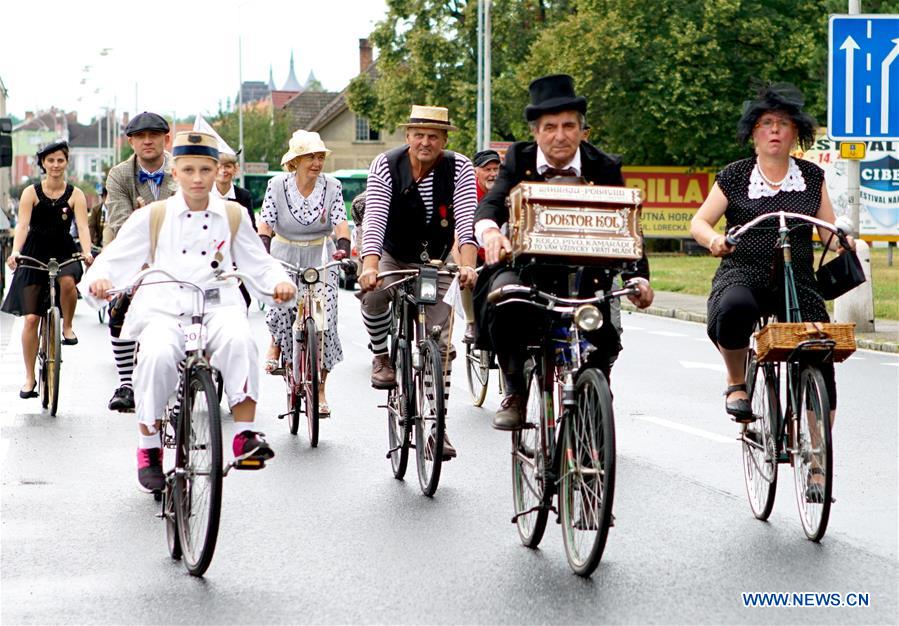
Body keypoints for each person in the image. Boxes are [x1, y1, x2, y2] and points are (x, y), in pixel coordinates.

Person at [82, 131, 296, 492]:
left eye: (205, 170)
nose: (197, 178)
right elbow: (115, 257)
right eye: (189, 170)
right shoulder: (154, 215)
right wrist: (101, 281)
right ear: (175, 172)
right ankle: (149, 447)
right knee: (156, 355)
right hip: (164, 306)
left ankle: (245, 435)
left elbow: (259, 262)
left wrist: (278, 283)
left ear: (216, 171)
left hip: (217, 302)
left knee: (240, 340)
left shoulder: (232, 214)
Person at [474, 74, 654, 430]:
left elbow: (626, 226)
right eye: (550, 127)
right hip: (528, 269)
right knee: (504, 300)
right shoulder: (519, 159)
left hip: (587, 273)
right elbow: (492, 202)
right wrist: (491, 232)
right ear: (536, 132)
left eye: (569, 126)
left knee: (601, 334)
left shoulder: (604, 165)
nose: (560, 135)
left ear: (582, 130)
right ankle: (515, 391)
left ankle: (593, 400)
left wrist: (638, 278)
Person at [689, 83, 851, 431]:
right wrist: (715, 240)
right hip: (744, 270)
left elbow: (828, 230)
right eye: (766, 123)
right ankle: (737, 382)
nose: (774, 130)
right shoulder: (735, 175)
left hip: (798, 279)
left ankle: (818, 451)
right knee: (734, 307)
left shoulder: (812, 177)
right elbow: (699, 222)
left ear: (795, 133)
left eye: (783, 123)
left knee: (818, 346)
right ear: (754, 133)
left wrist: (843, 241)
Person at [358, 105, 479, 460]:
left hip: (436, 259)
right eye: (419, 135)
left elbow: (466, 222)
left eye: (434, 136)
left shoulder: (459, 168)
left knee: (438, 340)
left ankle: (437, 428)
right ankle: (382, 356)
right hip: (393, 253)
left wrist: (468, 267)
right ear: (408, 136)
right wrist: (370, 267)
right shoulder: (386, 165)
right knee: (374, 295)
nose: (426, 142)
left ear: (444, 140)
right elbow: (375, 218)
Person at [257, 130, 351, 416]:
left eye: (320, 157)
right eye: (310, 157)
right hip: (284, 252)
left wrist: (343, 249)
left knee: (325, 321)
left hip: (319, 254)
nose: (317, 163)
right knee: (282, 306)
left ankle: (320, 388)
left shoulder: (332, 186)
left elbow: (340, 221)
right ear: (295, 161)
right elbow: (266, 223)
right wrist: (263, 252)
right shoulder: (276, 185)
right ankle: (277, 344)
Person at [2, 140, 94, 398]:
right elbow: (22, 226)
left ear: (66, 162)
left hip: (64, 250)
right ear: (43, 163)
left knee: (68, 281)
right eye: (50, 160)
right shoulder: (30, 193)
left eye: (60, 160)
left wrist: (87, 251)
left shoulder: (75, 194)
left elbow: (83, 227)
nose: (55, 165)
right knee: (31, 318)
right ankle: (30, 378)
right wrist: (16, 252)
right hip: (34, 252)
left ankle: (67, 326)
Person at [104, 111, 177, 412]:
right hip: (133, 252)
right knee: (120, 306)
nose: (148, 141)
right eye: (140, 136)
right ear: (131, 142)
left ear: (166, 139)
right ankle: (126, 383)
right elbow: (122, 222)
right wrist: (143, 264)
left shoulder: (181, 169)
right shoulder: (120, 175)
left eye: (154, 135)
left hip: (178, 252)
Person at [214, 150, 257, 307]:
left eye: (228, 166)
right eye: (219, 166)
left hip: (236, 257)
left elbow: (251, 228)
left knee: (243, 300)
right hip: (210, 257)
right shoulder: (205, 196)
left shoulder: (243, 196)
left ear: (235, 169)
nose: (223, 171)